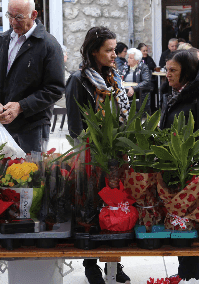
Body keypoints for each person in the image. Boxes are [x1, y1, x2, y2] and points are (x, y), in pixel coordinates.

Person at [64, 26, 131, 284]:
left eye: (115, 50)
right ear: (94, 52)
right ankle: (90, 265)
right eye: (109, 50)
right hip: (91, 155)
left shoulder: (114, 78)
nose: (115, 55)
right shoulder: (78, 80)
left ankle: (114, 263)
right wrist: (88, 151)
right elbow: (74, 126)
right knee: (90, 208)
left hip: (116, 152)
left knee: (115, 207)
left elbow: (121, 114)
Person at [160, 48, 199, 284]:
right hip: (176, 169)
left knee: (193, 225)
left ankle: (194, 276)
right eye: (167, 70)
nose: (168, 74)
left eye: (173, 70)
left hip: (194, 173)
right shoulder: (177, 93)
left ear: (187, 72)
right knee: (180, 222)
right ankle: (185, 272)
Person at [0, 0, 65, 153]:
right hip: (4, 124)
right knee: (3, 174)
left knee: (32, 175)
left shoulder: (49, 45)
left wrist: (21, 106)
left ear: (34, 15)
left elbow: (55, 89)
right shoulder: (1, 41)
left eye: (19, 17)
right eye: (10, 16)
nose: (13, 22)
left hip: (33, 127)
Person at [122, 47, 153, 112]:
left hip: (138, 92)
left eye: (131, 58)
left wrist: (133, 88)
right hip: (125, 89)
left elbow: (146, 81)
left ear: (137, 60)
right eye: (128, 57)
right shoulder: (125, 67)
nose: (128, 59)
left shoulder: (143, 67)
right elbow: (120, 77)